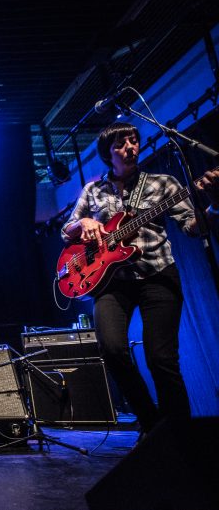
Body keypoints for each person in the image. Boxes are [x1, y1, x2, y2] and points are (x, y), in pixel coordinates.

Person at [61, 121, 219, 439]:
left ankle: (179, 435)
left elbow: (194, 227)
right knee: (111, 348)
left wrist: (213, 205)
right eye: (121, 144)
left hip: (157, 274)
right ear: (109, 153)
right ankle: (151, 424)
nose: (131, 147)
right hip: (111, 282)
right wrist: (86, 222)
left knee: (161, 359)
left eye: (133, 141)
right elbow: (67, 231)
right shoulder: (93, 190)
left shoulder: (163, 183)